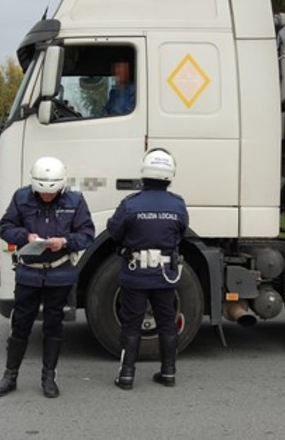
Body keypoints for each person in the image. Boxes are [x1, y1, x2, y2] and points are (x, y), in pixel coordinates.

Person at [0, 156, 95, 398]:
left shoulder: (75, 200)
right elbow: (5, 227)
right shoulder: (21, 197)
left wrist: (66, 242)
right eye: (42, 194)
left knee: (53, 326)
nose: (47, 197)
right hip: (29, 273)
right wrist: (25, 236)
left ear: (61, 186)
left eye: (52, 193)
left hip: (60, 273)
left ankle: (49, 377)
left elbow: (87, 234)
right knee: (20, 326)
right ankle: (10, 376)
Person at [107, 148, 189, 390]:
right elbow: (182, 231)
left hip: (136, 275)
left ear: (144, 173)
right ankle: (168, 373)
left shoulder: (131, 204)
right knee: (166, 322)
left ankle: (126, 376)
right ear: (170, 175)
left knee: (131, 324)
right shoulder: (178, 204)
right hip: (165, 275)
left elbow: (114, 231)